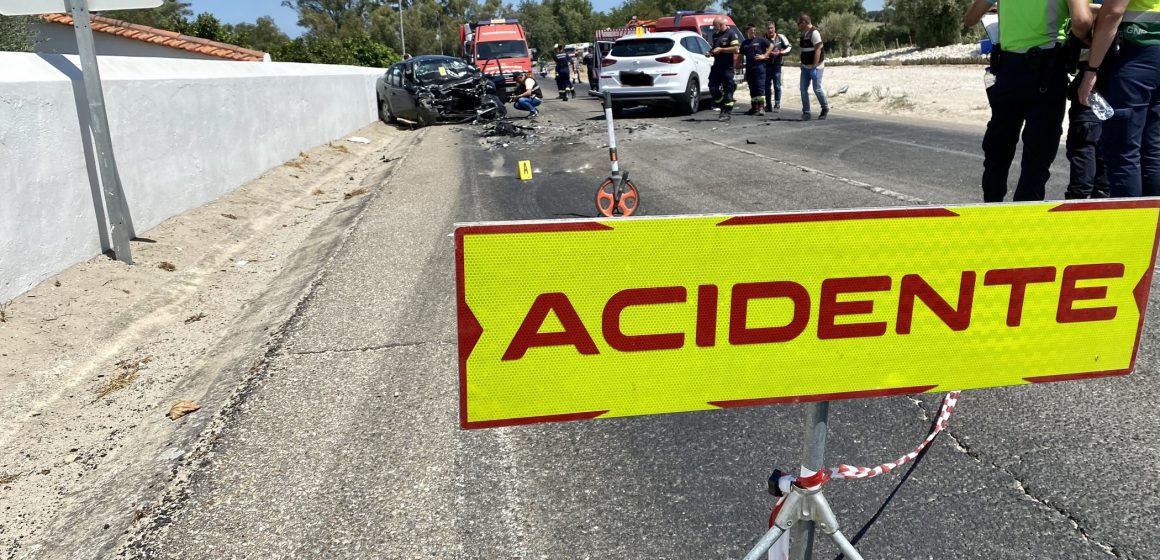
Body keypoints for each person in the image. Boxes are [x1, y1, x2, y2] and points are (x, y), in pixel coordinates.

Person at [964, 0, 1092, 202]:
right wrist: (1081, 40)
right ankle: (1024, 217)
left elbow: (970, 19)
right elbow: (1082, 20)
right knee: (1038, 152)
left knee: (999, 145)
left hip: (1009, 69)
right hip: (1048, 67)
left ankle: (991, 207)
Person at [1077, 0, 1160, 197]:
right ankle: (1153, 224)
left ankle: (1130, 224)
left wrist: (1091, 69)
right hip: (1153, 55)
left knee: (1123, 151)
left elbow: (1112, 12)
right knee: (1152, 150)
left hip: (1135, 53)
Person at [1064, 5, 1110, 199]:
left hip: (1093, 79)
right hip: (1125, 78)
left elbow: (1082, 21)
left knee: (1085, 144)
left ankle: (1078, 203)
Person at [705, 17, 741, 121]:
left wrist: (721, 50)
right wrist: (710, 53)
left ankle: (727, 112)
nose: (714, 28)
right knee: (712, 87)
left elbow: (736, 49)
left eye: (715, 26)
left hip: (727, 67)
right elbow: (714, 49)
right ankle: (721, 104)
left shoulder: (731, 33)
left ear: (721, 25)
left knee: (728, 90)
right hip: (717, 66)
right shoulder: (715, 35)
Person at [797, 15, 828, 121]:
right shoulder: (804, 34)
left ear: (805, 22)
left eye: (800, 23)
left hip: (816, 67)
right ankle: (806, 112)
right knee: (803, 89)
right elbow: (804, 50)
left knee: (817, 89)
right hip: (805, 67)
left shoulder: (814, 33)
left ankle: (825, 108)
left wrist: (814, 67)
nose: (799, 25)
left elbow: (818, 50)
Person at [741, 24, 772, 115]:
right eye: (751, 31)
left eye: (754, 31)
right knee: (752, 88)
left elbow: (771, 45)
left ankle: (761, 107)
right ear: (747, 32)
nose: (753, 32)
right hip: (749, 69)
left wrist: (765, 55)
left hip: (759, 68)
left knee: (760, 87)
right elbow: (740, 55)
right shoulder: (744, 43)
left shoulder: (760, 40)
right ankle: (754, 107)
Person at [764, 22, 792, 113]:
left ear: (775, 28)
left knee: (777, 86)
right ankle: (768, 105)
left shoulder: (781, 37)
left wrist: (780, 53)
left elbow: (789, 47)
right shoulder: (763, 38)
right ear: (766, 29)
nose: (770, 30)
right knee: (766, 86)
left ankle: (777, 104)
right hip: (766, 66)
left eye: (772, 28)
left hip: (777, 66)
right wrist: (767, 53)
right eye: (768, 28)